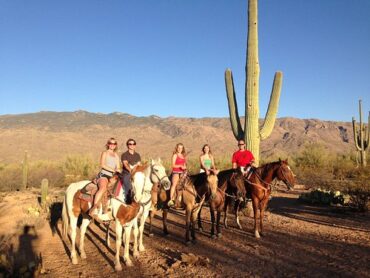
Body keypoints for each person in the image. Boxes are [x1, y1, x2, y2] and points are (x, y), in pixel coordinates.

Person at [90, 138, 121, 216]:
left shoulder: (116, 155)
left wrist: (119, 170)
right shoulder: (105, 153)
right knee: (103, 188)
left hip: (112, 177)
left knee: (119, 189)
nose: (112, 145)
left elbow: (118, 167)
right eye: (111, 143)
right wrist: (113, 170)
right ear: (108, 144)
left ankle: (111, 209)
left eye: (114, 144)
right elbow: (102, 165)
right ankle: (95, 207)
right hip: (104, 175)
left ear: (116, 145)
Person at [121, 138, 141, 202]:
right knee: (127, 180)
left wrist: (135, 171)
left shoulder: (137, 155)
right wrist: (131, 170)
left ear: (135, 145)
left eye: (133, 144)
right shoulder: (124, 155)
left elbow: (138, 165)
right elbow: (126, 164)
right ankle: (128, 197)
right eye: (130, 144)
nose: (132, 145)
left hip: (136, 172)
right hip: (127, 173)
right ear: (127, 145)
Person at [168, 143, 187, 207]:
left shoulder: (183, 155)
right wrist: (180, 166)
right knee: (174, 184)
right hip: (176, 171)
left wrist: (184, 167)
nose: (180, 149)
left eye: (181, 148)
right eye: (179, 148)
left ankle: (180, 199)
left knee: (183, 185)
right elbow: (173, 165)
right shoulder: (175, 155)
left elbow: (184, 165)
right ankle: (171, 199)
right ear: (177, 148)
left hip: (182, 172)